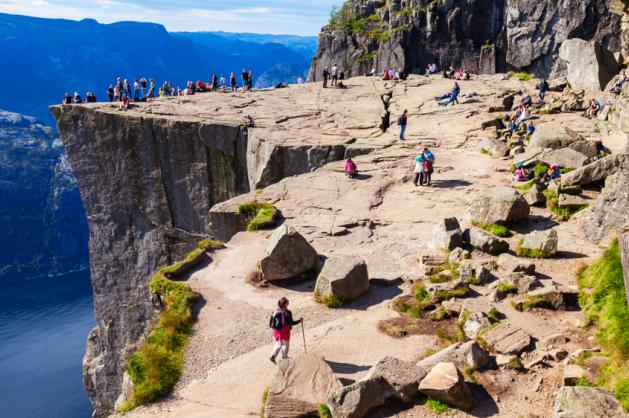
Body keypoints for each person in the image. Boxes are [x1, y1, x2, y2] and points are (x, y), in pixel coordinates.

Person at [269, 297, 302, 363]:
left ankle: (273, 355)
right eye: (288, 302)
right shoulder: (288, 312)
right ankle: (284, 357)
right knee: (285, 344)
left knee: (278, 344)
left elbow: (271, 323)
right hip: (285, 330)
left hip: (276, 331)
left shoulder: (275, 311)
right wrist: (299, 321)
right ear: (285, 305)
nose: (289, 303)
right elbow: (291, 322)